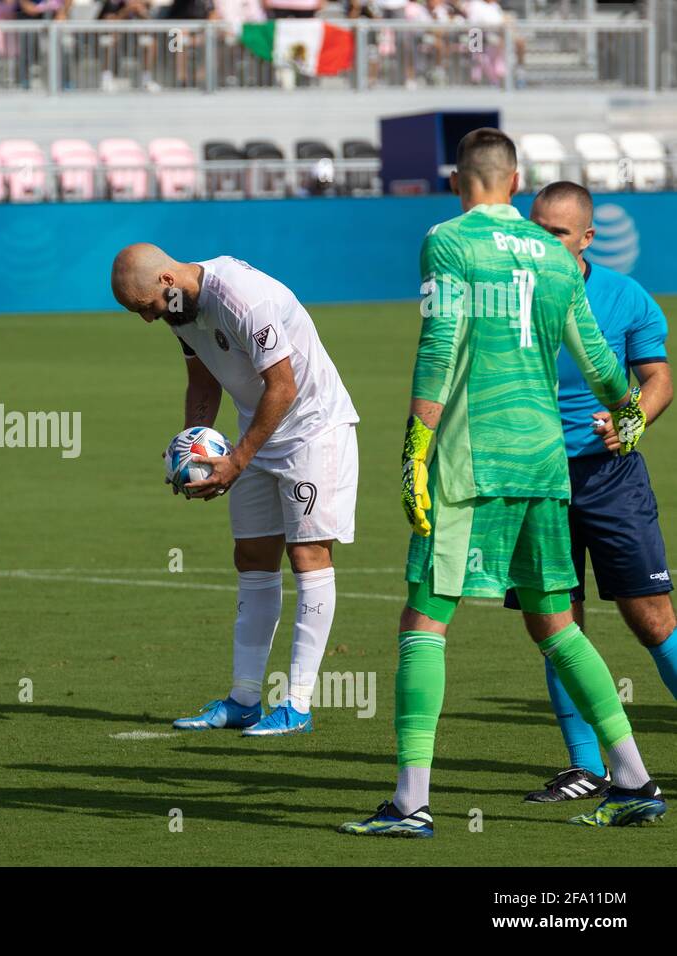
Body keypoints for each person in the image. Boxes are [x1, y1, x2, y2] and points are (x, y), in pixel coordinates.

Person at [339, 128, 663, 838]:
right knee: (555, 624)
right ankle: (636, 781)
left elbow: (438, 345)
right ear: (515, 183)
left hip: (471, 460)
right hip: (547, 462)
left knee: (425, 618)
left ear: (461, 182)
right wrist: (630, 416)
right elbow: (603, 361)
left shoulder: (449, 241)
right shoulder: (554, 254)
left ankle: (409, 804)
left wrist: (415, 447)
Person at [111, 243, 360, 737]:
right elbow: (203, 384)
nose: (147, 320)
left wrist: (237, 460)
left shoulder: (244, 298)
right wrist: (191, 451)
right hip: (258, 434)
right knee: (251, 557)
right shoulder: (180, 311)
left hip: (313, 431)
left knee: (307, 555)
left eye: (146, 308)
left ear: (166, 282)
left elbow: (283, 388)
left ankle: (297, 704)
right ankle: (245, 699)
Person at [505, 181, 677, 803]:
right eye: (535, 227)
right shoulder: (506, 299)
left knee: (652, 619)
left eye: (556, 231)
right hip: (532, 480)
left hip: (610, 480)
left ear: (585, 238)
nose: (541, 239)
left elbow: (657, 378)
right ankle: (586, 766)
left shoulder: (624, 296)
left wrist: (631, 419)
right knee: (556, 623)